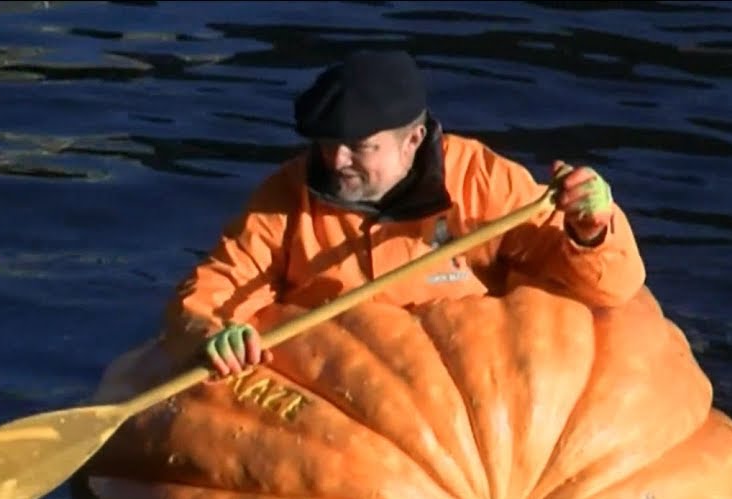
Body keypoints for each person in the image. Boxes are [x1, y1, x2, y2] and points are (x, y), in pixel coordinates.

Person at [159, 49, 646, 377]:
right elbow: (211, 292)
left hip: (476, 390)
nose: (336, 161)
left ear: (413, 140)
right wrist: (213, 334)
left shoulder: (481, 178)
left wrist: (591, 231)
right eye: (326, 144)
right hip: (341, 397)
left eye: (359, 147)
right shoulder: (286, 197)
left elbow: (611, 286)